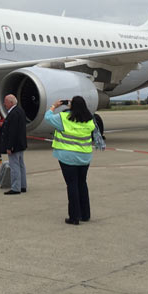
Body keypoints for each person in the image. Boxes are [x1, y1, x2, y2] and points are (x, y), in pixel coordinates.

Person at [45, 96, 95, 225]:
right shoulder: (89, 120)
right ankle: (85, 214)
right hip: (84, 157)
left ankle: (74, 216)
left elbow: (48, 117)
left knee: (72, 185)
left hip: (67, 157)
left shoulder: (64, 118)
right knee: (82, 184)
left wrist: (54, 106)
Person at [0, 94, 28, 195]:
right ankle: (23, 185)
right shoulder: (19, 111)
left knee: (14, 166)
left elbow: (13, 132)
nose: (4, 104)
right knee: (21, 165)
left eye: (5, 102)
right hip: (21, 143)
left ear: (11, 102)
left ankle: (16, 188)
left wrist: (9, 146)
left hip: (15, 145)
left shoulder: (14, 113)